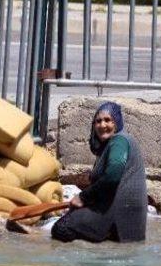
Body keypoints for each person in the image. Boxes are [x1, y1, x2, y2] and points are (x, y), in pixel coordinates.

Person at [51, 101, 147, 243]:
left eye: (108, 120)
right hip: (125, 214)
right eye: (98, 121)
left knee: (61, 228)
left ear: (117, 122)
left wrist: (83, 198)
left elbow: (113, 176)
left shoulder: (119, 141)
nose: (102, 125)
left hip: (118, 213)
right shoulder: (114, 144)